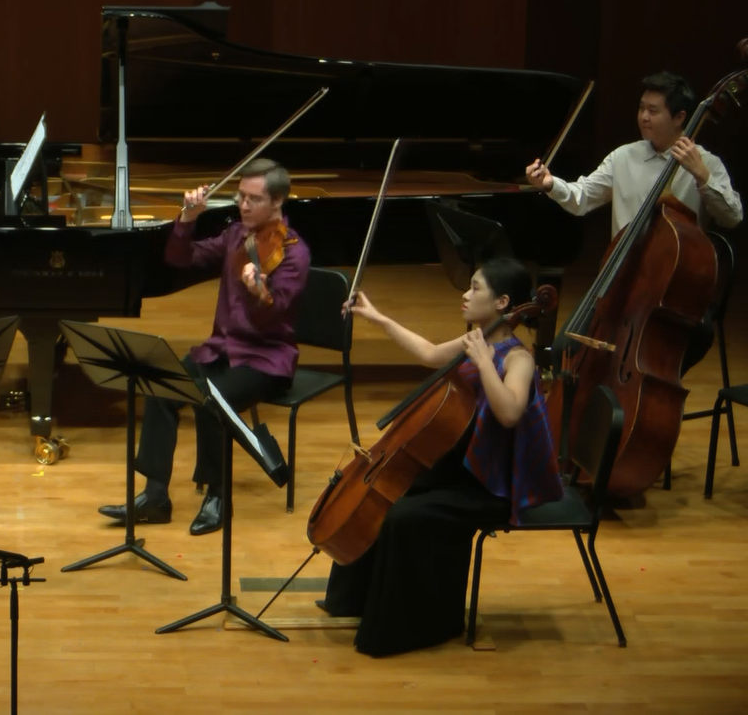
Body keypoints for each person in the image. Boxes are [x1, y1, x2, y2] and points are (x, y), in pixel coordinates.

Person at [321, 256, 563, 657]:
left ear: (503, 302)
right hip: (456, 468)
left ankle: (415, 626)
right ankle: (356, 602)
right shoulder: (478, 340)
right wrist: (378, 319)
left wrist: (484, 364)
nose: (465, 295)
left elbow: (509, 412)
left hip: (488, 484)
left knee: (404, 516)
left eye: (475, 288)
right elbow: (431, 354)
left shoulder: (518, 359)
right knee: (385, 496)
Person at [95, 159, 309, 535]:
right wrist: (187, 219)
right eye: (240, 196)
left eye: (253, 199)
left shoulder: (294, 253)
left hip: (265, 361)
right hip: (221, 350)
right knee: (160, 382)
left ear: (277, 201)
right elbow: (181, 259)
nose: (243, 205)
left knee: (212, 401)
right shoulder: (235, 236)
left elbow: (273, 315)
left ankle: (218, 496)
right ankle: (155, 496)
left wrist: (258, 291)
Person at [526, 71, 743, 235]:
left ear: (679, 117)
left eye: (653, 111)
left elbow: (732, 217)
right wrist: (550, 184)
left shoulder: (706, 163)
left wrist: (702, 177)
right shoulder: (623, 157)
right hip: (625, 271)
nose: (643, 117)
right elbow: (582, 197)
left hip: (678, 274)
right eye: (641, 108)